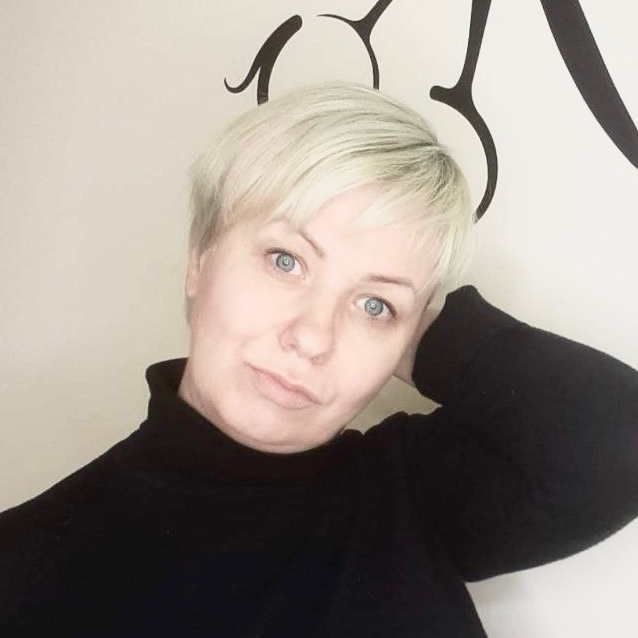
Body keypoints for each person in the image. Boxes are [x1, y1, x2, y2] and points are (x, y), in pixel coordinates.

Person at [0, 81, 636, 638]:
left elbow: (617, 439)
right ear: (200, 259)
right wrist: (381, 307)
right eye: (286, 260)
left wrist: (418, 330)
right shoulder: (24, 566)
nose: (312, 337)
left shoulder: (409, 496)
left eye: (374, 306)